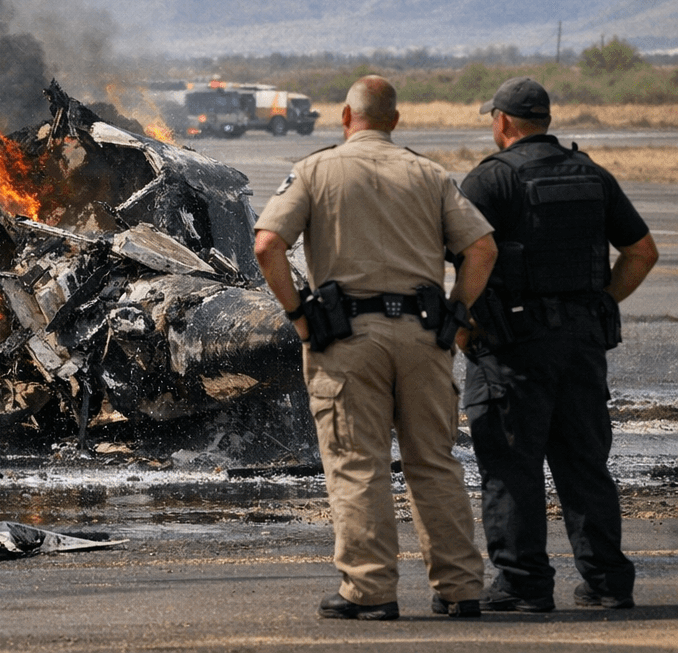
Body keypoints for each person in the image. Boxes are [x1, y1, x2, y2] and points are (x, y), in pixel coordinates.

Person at [253, 75, 497, 620]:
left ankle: (369, 591)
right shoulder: (430, 174)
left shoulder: (316, 170)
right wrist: (457, 312)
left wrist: (299, 316)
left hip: (347, 339)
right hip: (424, 336)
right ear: (395, 120)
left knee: (358, 464)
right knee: (434, 462)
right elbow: (481, 248)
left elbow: (267, 244)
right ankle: (460, 588)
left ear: (345, 117)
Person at [461, 77, 659, 612]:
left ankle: (524, 583)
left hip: (514, 349)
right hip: (581, 344)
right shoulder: (592, 174)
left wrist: (460, 322)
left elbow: (464, 254)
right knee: (585, 463)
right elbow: (641, 252)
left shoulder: (490, 181)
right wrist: (602, 303)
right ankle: (607, 582)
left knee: (511, 464)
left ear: (502, 122)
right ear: (544, 121)